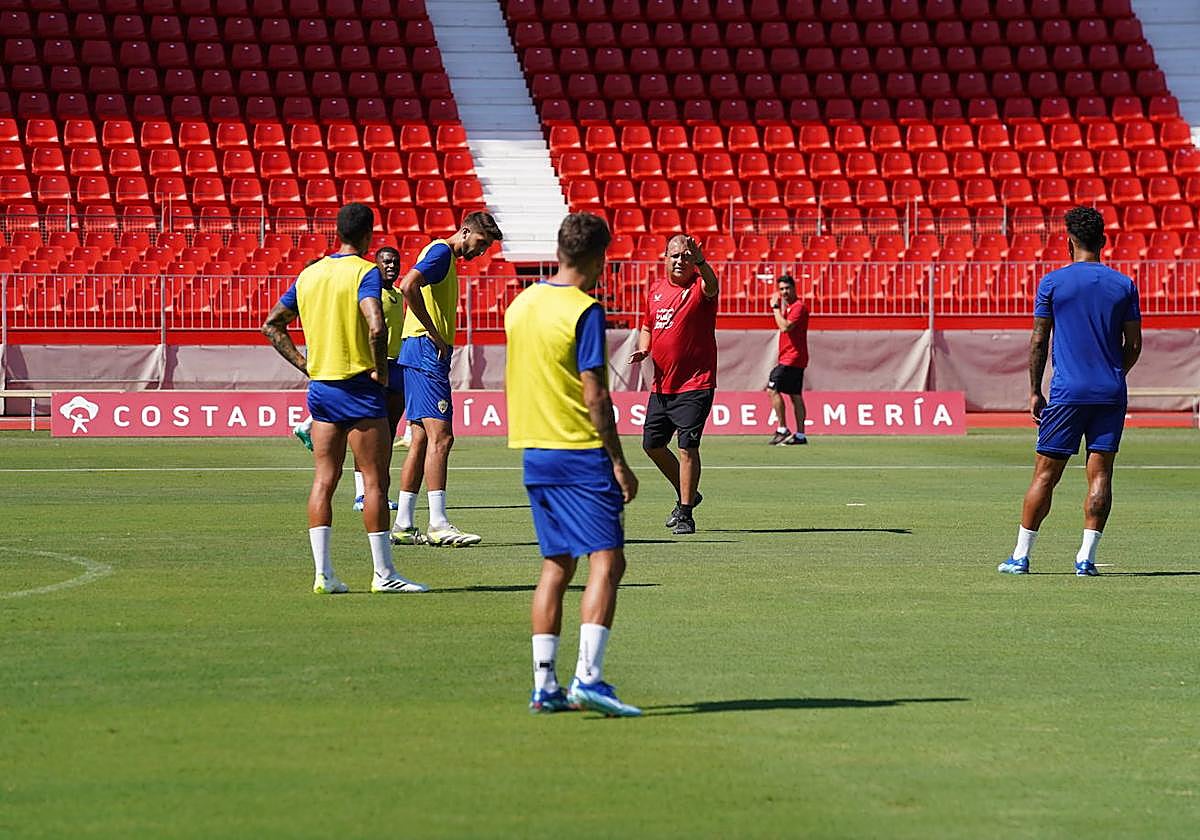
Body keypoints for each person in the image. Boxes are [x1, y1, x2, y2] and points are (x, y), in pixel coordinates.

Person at [505, 212, 641, 717]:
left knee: (555, 565)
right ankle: (590, 676)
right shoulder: (584, 310)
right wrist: (619, 462)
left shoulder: (521, 304)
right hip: (580, 452)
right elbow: (596, 396)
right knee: (607, 561)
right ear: (598, 257)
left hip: (534, 453)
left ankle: (545, 685)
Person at [261, 203, 426, 594]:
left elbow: (271, 325)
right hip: (359, 387)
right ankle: (384, 575)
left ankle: (324, 574)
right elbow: (375, 325)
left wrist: (306, 365)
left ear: (338, 233)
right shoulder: (365, 272)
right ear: (368, 235)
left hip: (322, 389)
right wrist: (382, 373)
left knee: (324, 479)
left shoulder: (310, 273)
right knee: (374, 482)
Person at [999, 206, 1142, 577]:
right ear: (1104, 242)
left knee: (1045, 474)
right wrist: (1114, 374)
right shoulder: (1124, 285)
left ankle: (1020, 556)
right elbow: (1135, 345)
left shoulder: (1052, 283)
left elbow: (1038, 341)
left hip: (1067, 392)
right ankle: (1086, 559)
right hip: (1109, 391)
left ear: (1069, 242)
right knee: (1100, 474)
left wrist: (1034, 391)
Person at [392, 212, 504, 547]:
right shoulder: (441, 253)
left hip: (414, 350)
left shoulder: (440, 255)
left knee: (421, 439)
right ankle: (438, 523)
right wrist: (433, 333)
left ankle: (402, 523)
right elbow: (407, 285)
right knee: (443, 438)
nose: (480, 252)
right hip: (426, 351)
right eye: (480, 243)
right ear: (465, 231)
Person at [292, 247, 406, 511]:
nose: (391, 267)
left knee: (387, 434)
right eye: (386, 262)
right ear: (375, 264)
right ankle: (362, 495)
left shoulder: (398, 295)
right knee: (364, 433)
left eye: (395, 262)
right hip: (372, 369)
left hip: (396, 366)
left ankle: (378, 492)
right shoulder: (368, 292)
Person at [627, 234, 719, 536]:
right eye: (674, 256)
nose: (680, 261)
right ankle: (689, 492)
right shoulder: (655, 291)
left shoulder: (700, 288)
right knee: (652, 445)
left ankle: (686, 512)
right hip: (662, 386)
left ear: (694, 260)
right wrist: (644, 347)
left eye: (686, 256)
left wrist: (703, 261)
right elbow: (646, 325)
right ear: (665, 258)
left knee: (687, 447)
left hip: (696, 384)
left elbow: (713, 285)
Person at [766, 274, 810, 446]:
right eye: (781, 289)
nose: (784, 292)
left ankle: (783, 429)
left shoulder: (798, 307)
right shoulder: (791, 308)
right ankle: (800, 435)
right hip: (791, 357)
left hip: (792, 358)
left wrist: (775, 308)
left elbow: (785, 327)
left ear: (794, 288)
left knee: (772, 388)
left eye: (787, 288)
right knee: (795, 395)